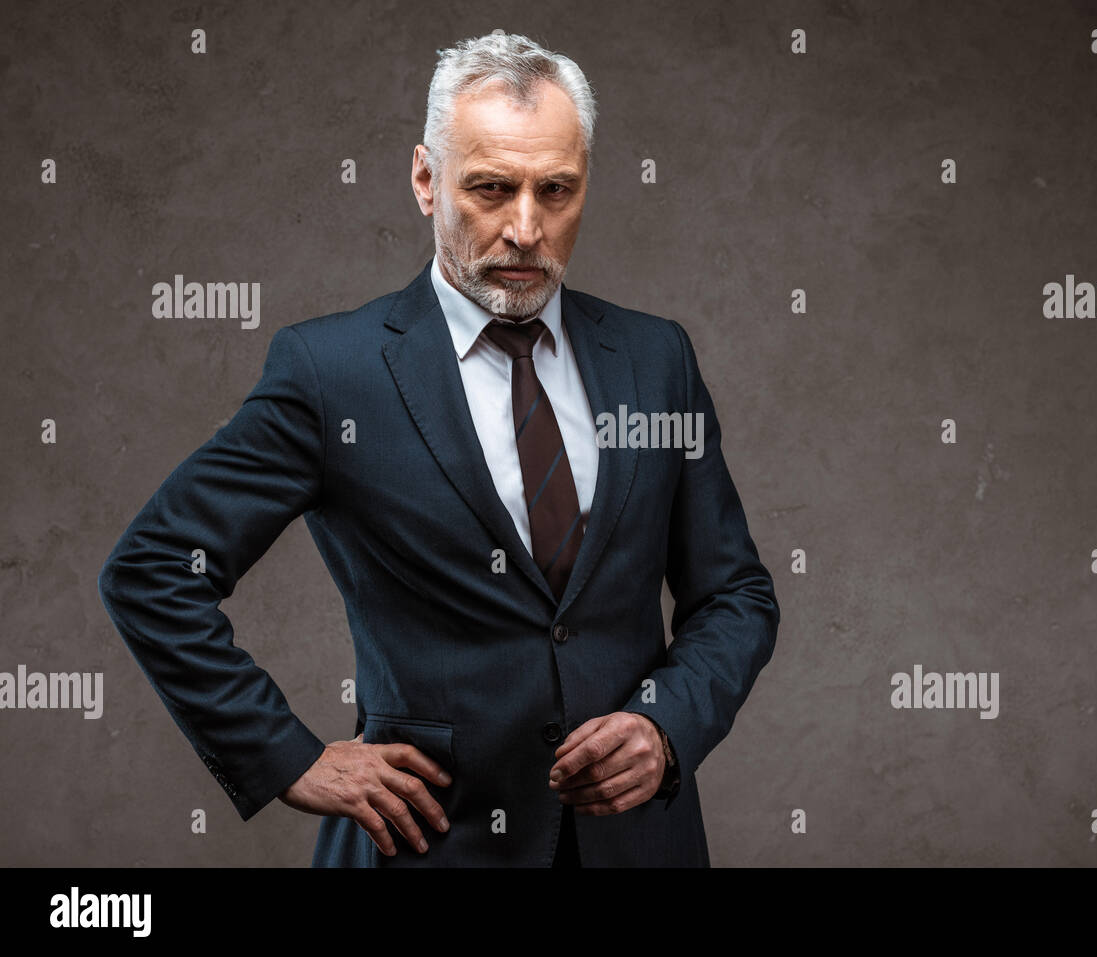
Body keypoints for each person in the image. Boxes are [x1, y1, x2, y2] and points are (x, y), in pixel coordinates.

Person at [98, 31, 779, 867]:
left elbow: (736, 593)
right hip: (425, 847)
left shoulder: (655, 358)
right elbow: (155, 568)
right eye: (491, 188)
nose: (526, 228)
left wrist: (668, 722)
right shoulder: (331, 373)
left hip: (642, 846)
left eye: (555, 191)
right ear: (425, 179)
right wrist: (290, 757)